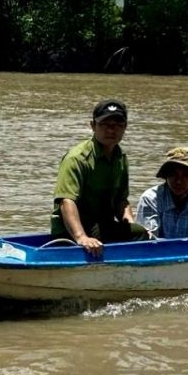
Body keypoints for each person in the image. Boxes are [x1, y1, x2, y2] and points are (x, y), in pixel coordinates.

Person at [50, 98, 140, 258]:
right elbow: (66, 201)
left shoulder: (120, 157)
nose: (111, 130)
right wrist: (81, 237)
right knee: (139, 234)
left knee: (139, 232)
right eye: (105, 124)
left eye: (117, 125)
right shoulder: (77, 158)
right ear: (93, 126)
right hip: (71, 229)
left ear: (125, 127)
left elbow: (121, 200)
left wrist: (130, 223)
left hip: (102, 226)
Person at [134, 146, 188, 239]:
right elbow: (147, 242)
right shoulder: (151, 199)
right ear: (166, 176)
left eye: (187, 176)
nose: (179, 181)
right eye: (173, 174)